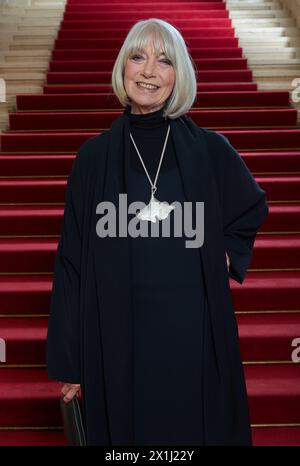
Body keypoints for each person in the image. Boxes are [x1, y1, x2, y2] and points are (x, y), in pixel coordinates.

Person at [46, 18, 269, 446]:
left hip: (192, 336)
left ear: (178, 74)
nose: (149, 71)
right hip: (115, 337)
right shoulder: (92, 159)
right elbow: (71, 262)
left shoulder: (210, 150)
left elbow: (251, 208)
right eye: (138, 56)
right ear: (122, 67)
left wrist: (223, 256)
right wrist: (70, 363)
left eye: (164, 60)